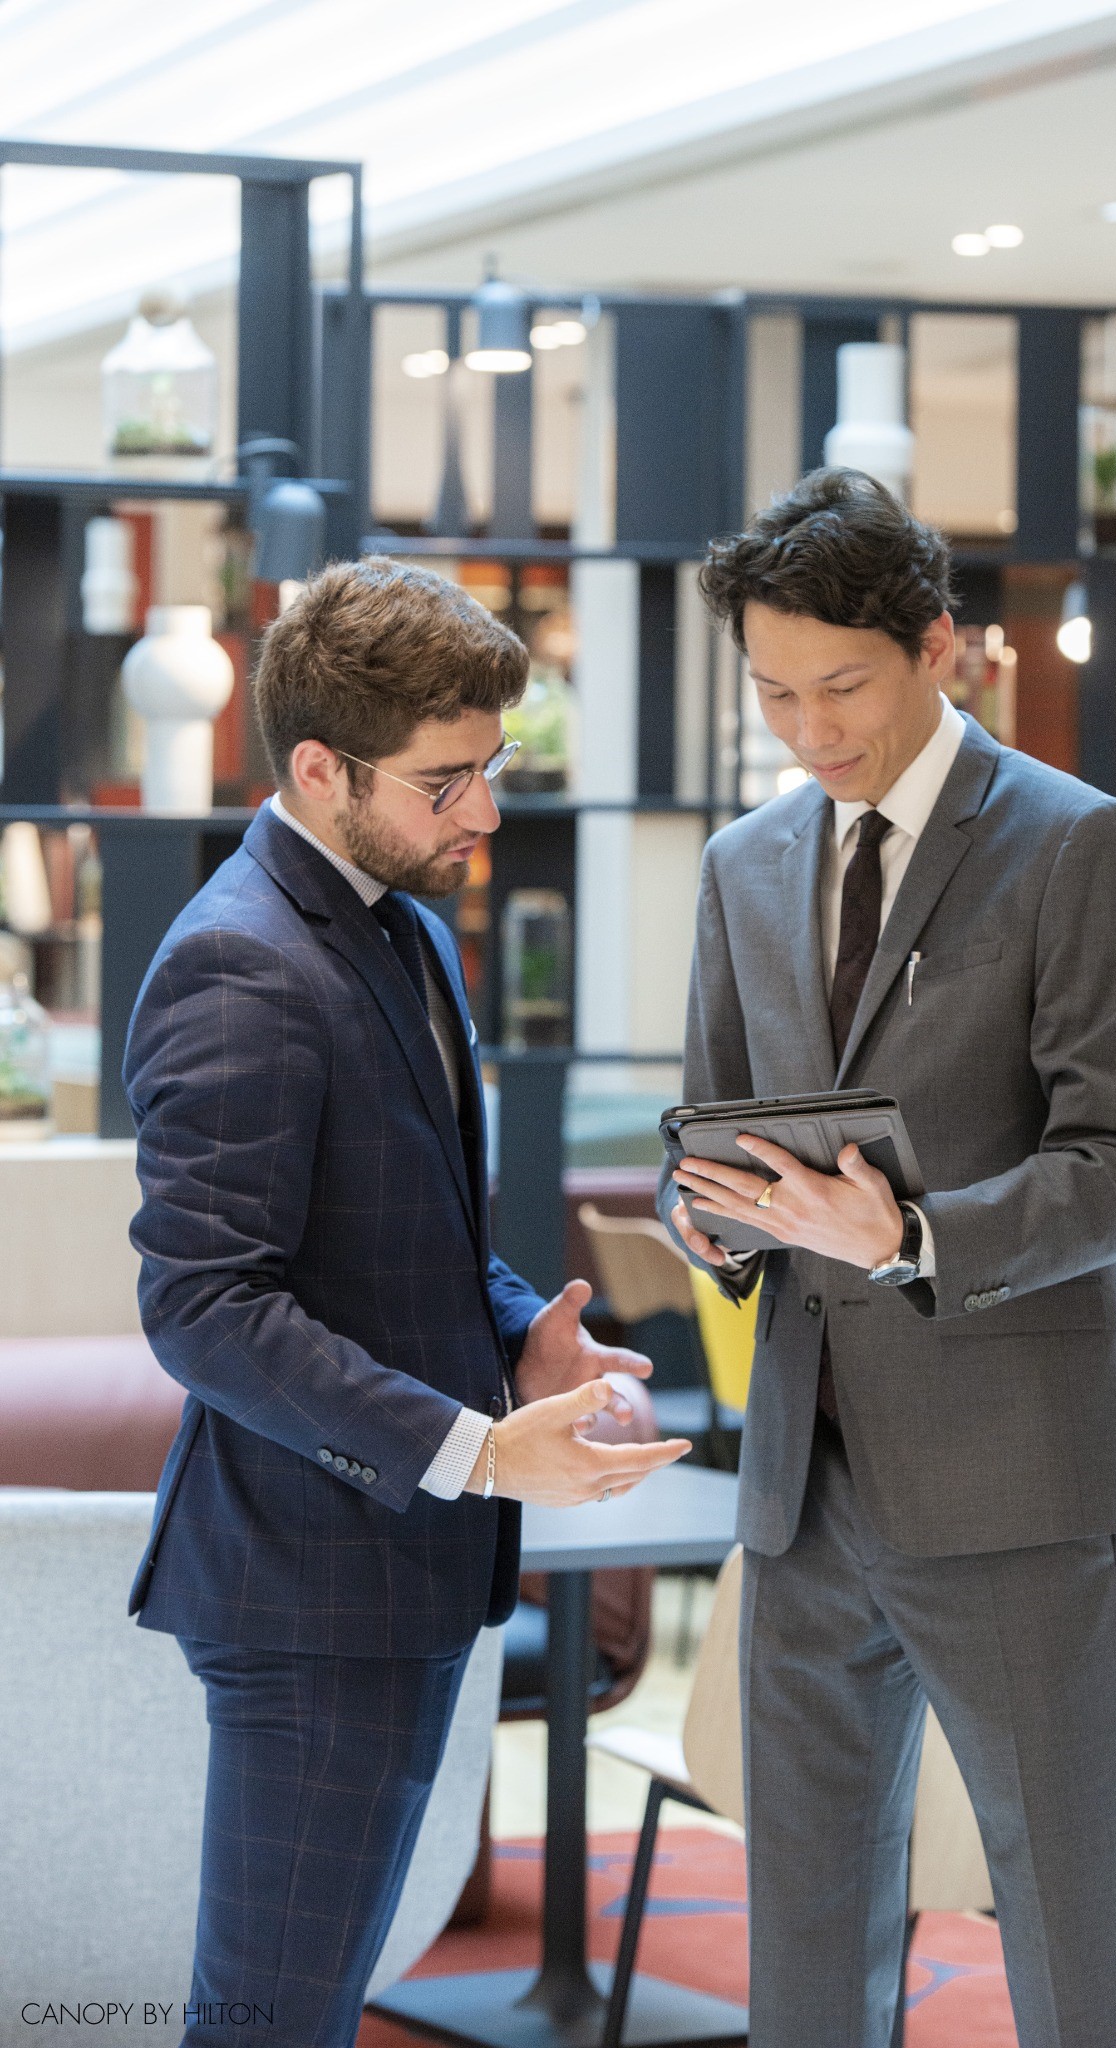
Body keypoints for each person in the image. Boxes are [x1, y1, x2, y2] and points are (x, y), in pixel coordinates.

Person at [123, 558, 688, 2048]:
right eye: (446, 782)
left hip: (395, 1565)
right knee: (266, 2021)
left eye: (489, 768)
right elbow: (204, 1306)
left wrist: (517, 1328)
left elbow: (400, 1228)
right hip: (309, 1584)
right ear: (318, 768)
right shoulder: (242, 964)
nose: (483, 814)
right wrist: (481, 1447)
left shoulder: (401, 923)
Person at [662, 469, 1116, 2048]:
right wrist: (713, 1221)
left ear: (936, 648)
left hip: (1008, 1477)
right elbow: (714, 1137)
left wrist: (917, 1239)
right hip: (800, 1481)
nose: (808, 731)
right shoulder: (744, 864)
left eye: (841, 687)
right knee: (804, 1930)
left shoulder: (1074, 844)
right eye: (771, 693)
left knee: (1070, 1909)